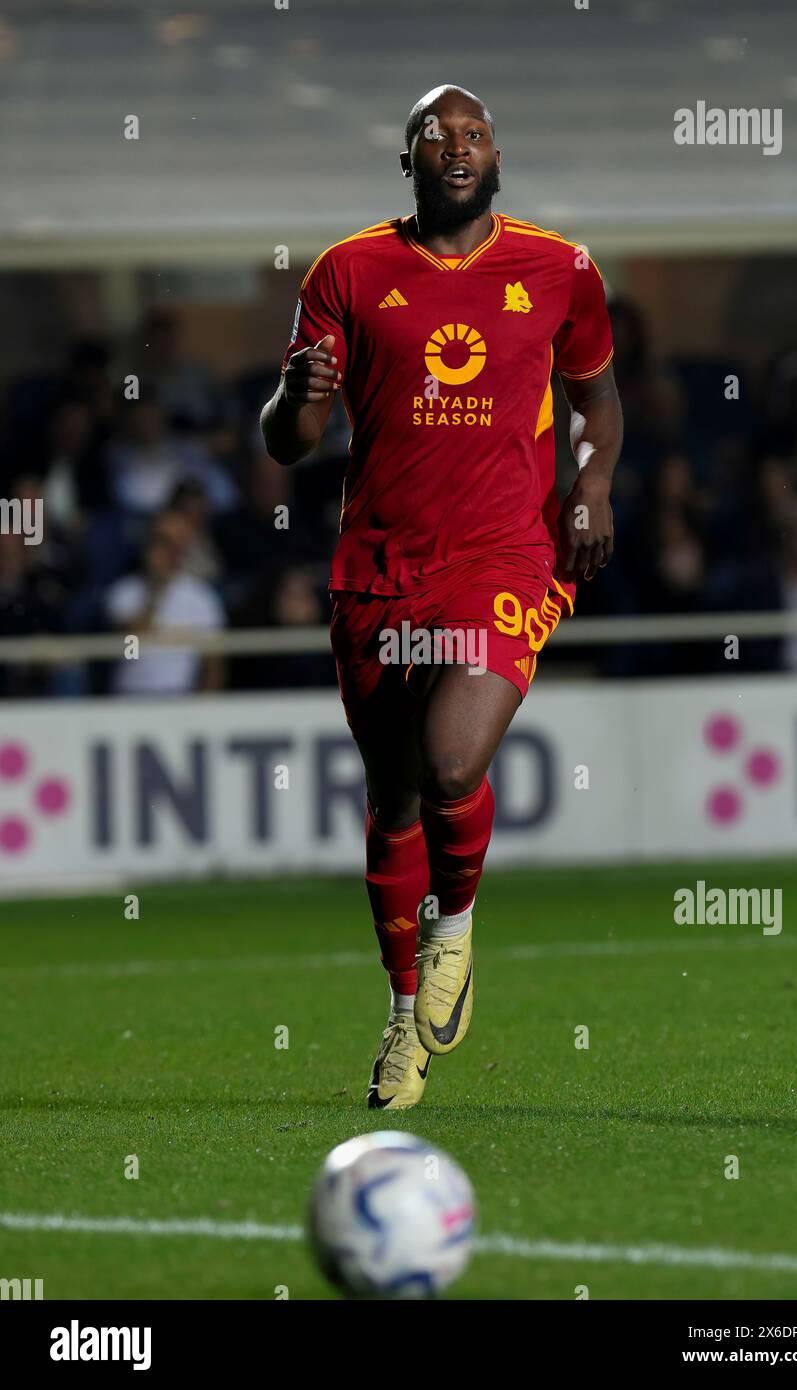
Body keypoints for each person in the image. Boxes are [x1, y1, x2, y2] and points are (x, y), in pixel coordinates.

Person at [261, 85, 622, 1110]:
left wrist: (590, 487)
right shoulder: (347, 271)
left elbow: (596, 393)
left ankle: (454, 920)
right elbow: (287, 438)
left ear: (496, 157)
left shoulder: (559, 268)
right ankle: (401, 1015)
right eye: (436, 136)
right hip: (380, 566)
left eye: (472, 136)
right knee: (395, 798)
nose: (456, 148)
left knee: (455, 757)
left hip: (505, 552)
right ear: (408, 160)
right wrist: (297, 399)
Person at [104, 511, 225, 695]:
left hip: (180, 701)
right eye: (161, 543)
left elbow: (213, 664)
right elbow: (131, 648)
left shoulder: (202, 598)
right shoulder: (123, 592)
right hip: (129, 698)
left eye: (174, 545)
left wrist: (204, 710)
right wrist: (156, 591)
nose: (167, 552)